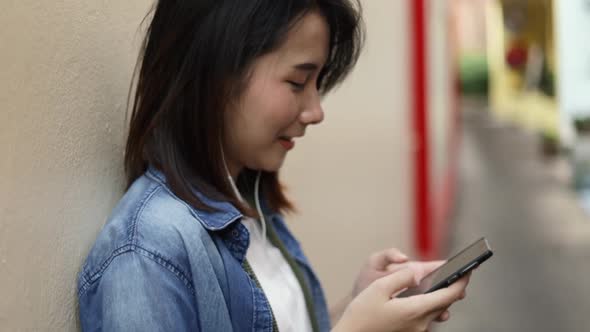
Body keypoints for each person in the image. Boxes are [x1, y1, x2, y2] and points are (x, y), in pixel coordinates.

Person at [77, 1, 471, 331]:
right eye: (298, 83)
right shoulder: (145, 256)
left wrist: (356, 305)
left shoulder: (246, 201)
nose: (315, 111)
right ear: (216, 74)